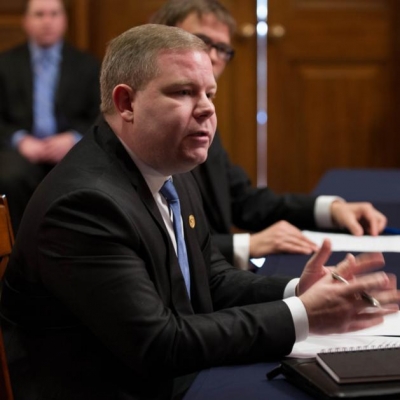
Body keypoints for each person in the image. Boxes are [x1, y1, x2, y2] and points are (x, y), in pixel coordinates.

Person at [1, 24, 399, 400]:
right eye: (184, 92)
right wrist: (300, 315)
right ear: (126, 103)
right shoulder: (84, 205)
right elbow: (159, 344)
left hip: (175, 375)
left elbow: (209, 278)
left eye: (209, 94)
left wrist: (297, 291)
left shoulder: (169, 165)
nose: (207, 110)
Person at [150, 0, 387, 269]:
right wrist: (245, 245)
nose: (213, 56)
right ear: (159, 39)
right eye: (203, 41)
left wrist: (330, 210)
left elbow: (243, 200)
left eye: (223, 49)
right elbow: (156, 240)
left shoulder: (202, 117)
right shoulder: (143, 131)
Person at [0, 0, 101, 233]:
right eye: (39, 14)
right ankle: (17, 251)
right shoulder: (5, 65)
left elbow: (101, 114)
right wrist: (20, 140)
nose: (47, 21)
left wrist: (73, 138)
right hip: (21, 151)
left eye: (54, 14)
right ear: (25, 21)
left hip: (71, 148)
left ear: (64, 21)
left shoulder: (87, 65)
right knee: (10, 176)